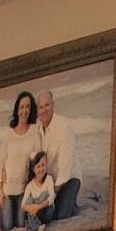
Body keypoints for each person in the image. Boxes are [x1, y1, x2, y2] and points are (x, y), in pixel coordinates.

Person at [0, 90, 40, 231]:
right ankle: (7, 211)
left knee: (20, 225)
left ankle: (21, 214)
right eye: (22, 107)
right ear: (17, 109)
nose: (24, 110)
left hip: (23, 191)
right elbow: (0, 162)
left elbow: (37, 160)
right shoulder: (8, 133)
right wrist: (0, 190)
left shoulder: (34, 131)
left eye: (28, 107)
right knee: (7, 227)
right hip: (8, 191)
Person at [37, 88, 81, 220]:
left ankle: (71, 204)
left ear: (53, 105)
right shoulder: (36, 130)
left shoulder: (64, 126)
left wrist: (51, 196)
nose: (44, 110)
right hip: (49, 182)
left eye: (47, 105)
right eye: (41, 107)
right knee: (42, 216)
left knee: (61, 216)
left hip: (68, 179)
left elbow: (65, 170)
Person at [20, 149, 55, 231]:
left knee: (44, 195)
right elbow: (23, 205)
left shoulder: (49, 179)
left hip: (47, 213)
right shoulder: (30, 185)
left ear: (46, 165)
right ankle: (37, 226)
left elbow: (52, 197)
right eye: (38, 166)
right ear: (33, 169)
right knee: (29, 200)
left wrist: (38, 207)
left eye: (43, 165)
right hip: (35, 215)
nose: (41, 169)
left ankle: (34, 223)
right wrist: (32, 208)